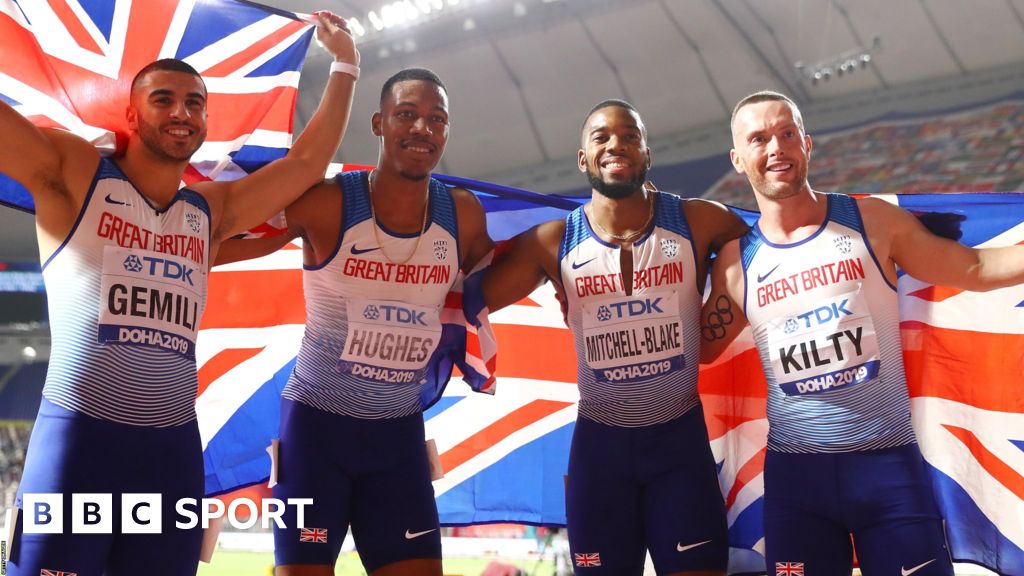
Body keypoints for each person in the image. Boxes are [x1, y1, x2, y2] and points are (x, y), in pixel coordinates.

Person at [1, 12, 359, 576]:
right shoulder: (73, 174)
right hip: (79, 444)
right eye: (163, 99)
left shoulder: (210, 213)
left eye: (195, 104)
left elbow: (307, 164)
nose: (181, 112)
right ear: (131, 112)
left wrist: (345, 65)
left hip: (169, 454)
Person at [701, 90, 1024, 575]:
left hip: (887, 468)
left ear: (807, 143)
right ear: (738, 158)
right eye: (759, 138)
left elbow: (976, 268)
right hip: (797, 480)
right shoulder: (736, 262)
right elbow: (698, 349)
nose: (776, 148)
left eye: (787, 133)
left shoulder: (869, 222)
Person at [215, 68, 493, 576]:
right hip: (316, 433)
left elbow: (496, 281)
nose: (422, 129)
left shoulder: (463, 216)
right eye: (406, 115)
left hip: (398, 436)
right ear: (379, 123)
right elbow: (222, 238)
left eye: (436, 120)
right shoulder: (327, 202)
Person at [481, 99, 748, 575]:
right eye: (601, 136)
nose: (616, 144)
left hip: (679, 446)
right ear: (583, 159)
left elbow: (772, 250)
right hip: (600, 454)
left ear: (647, 154)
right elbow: (465, 298)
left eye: (629, 135)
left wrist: (720, 310)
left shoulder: (700, 220)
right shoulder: (551, 241)